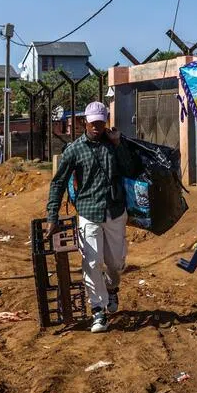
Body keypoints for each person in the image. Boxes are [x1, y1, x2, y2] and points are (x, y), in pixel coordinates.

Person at [45, 102, 140, 333]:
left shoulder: (115, 144)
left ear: (106, 122)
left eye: (100, 122)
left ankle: (112, 287)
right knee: (92, 262)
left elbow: (131, 170)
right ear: (84, 122)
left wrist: (118, 144)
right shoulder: (74, 150)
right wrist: (52, 215)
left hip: (115, 212)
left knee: (116, 263)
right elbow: (58, 183)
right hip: (88, 212)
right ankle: (98, 310)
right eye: (93, 122)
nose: (97, 126)